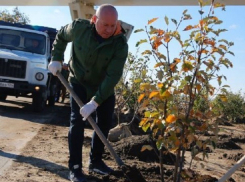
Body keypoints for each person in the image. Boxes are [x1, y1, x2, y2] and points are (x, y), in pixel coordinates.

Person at [48, 4, 128, 182]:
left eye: (112, 25)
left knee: (104, 123)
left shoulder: (120, 44)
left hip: (102, 87)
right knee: (77, 121)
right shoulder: (79, 28)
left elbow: (113, 76)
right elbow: (61, 36)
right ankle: (75, 168)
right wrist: (56, 58)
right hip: (79, 82)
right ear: (94, 20)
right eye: (104, 25)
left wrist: (95, 102)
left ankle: (96, 162)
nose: (108, 30)